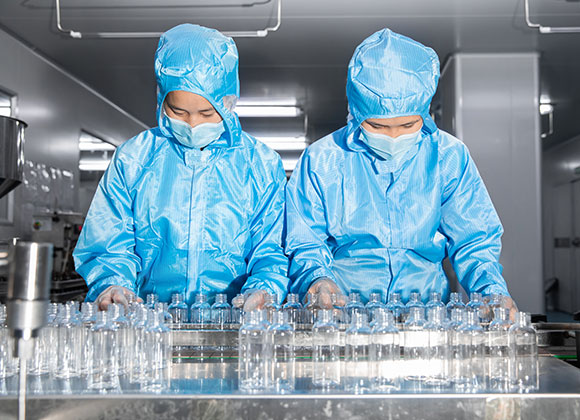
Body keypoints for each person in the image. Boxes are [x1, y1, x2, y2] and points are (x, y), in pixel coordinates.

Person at [285, 28, 517, 318]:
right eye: (378, 127)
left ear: (424, 113)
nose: (393, 136)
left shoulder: (448, 156)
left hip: (426, 314)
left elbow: (474, 240)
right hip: (342, 314)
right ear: (356, 112)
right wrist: (316, 279)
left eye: (408, 126)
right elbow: (305, 240)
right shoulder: (322, 159)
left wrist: (491, 291)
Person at [74, 24, 289, 311]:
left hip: (233, 325)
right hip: (149, 324)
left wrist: (264, 290)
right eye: (178, 111)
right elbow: (110, 244)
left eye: (206, 112)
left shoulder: (260, 164)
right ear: (161, 98)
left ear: (228, 103)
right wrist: (113, 284)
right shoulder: (134, 158)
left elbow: (271, 250)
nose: (192, 124)